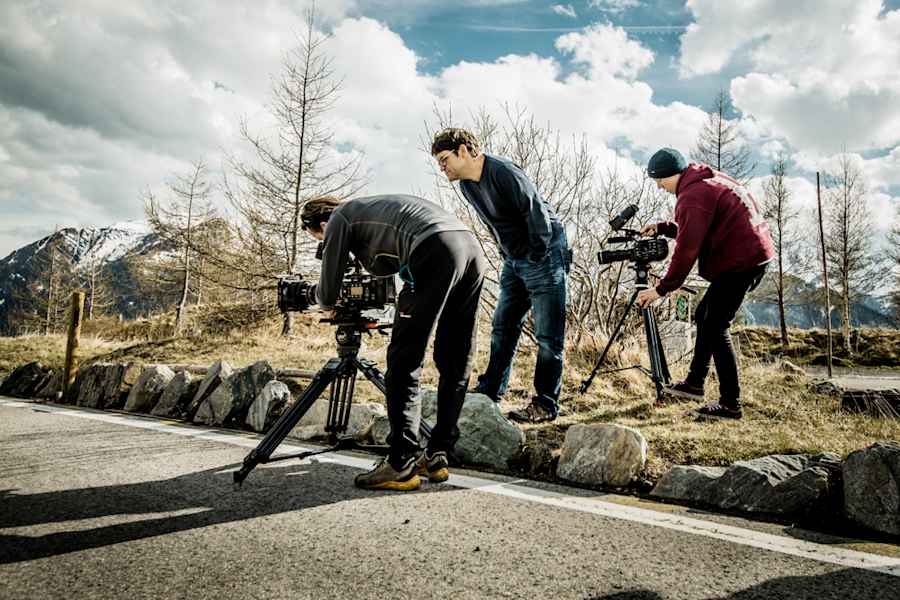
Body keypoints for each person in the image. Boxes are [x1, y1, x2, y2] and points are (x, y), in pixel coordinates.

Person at [300, 194, 486, 490]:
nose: (326, 242)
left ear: (323, 224)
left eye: (320, 238)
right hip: (470, 249)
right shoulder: (372, 211)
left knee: (403, 361)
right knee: (455, 358)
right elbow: (383, 268)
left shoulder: (340, 218)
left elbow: (327, 293)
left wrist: (318, 296)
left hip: (434, 248)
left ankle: (400, 463)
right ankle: (437, 455)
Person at [431, 128, 570, 424]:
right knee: (502, 327)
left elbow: (535, 213)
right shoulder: (467, 185)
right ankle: (490, 390)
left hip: (543, 253)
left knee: (548, 337)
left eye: (444, 160)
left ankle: (545, 404)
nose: (442, 168)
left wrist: (536, 253)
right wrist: (507, 255)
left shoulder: (503, 171)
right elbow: (495, 225)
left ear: (464, 151)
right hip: (515, 260)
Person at [636, 148, 775, 420]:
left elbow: (687, 250)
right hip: (752, 254)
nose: (658, 186)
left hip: (742, 261)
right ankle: (694, 384)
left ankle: (730, 404)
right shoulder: (705, 180)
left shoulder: (692, 196)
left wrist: (661, 289)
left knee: (715, 325)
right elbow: (700, 227)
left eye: (659, 180)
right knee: (704, 316)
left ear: (671, 174)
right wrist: (664, 227)